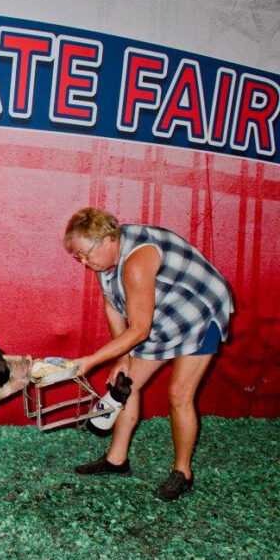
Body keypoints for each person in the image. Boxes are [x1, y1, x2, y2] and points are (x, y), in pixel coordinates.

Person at [64, 207, 233, 501]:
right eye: (77, 256)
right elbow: (113, 306)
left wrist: (90, 361)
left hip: (199, 314)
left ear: (108, 239)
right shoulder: (102, 261)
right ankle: (117, 460)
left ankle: (182, 472)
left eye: (86, 253)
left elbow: (139, 329)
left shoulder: (136, 262)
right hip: (163, 314)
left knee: (179, 393)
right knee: (125, 382)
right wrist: (121, 357)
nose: (83, 261)